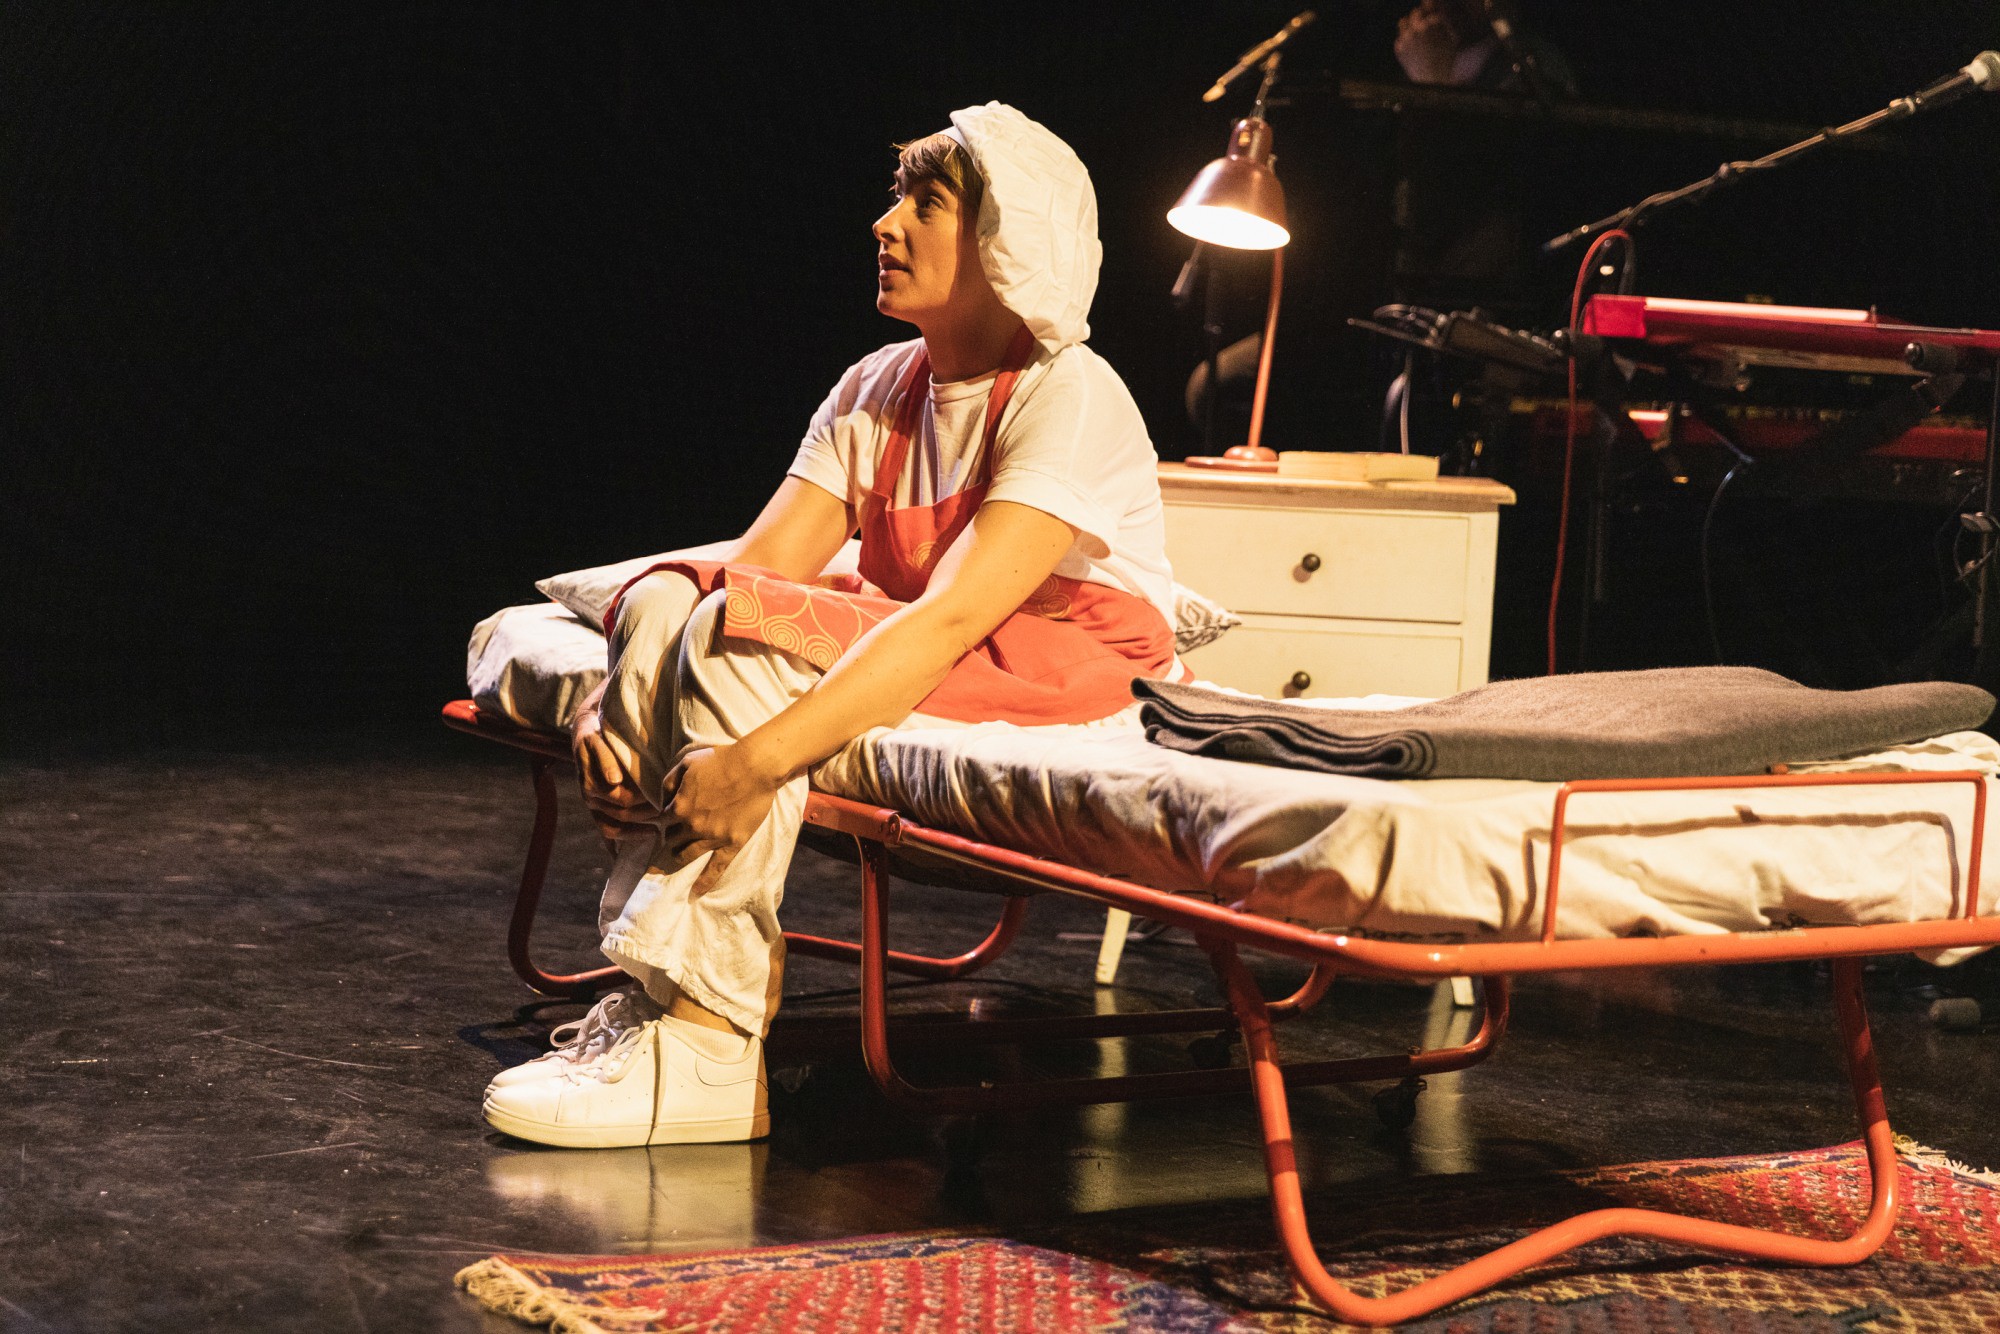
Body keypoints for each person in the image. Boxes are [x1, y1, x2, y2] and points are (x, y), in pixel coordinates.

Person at [480, 103, 1184, 1149]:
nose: (884, 224)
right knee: (676, 603)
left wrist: (752, 763)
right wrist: (611, 700)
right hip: (936, 633)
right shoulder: (878, 385)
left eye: (924, 204)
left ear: (1007, 242)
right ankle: (660, 993)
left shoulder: (1068, 393)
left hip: (1054, 660)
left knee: (733, 636)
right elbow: (758, 565)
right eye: (897, 198)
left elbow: (955, 617)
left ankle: (708, 1044)